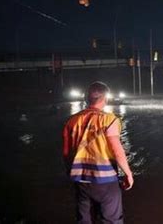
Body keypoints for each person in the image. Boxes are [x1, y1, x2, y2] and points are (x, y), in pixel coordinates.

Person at [63, 81, 134, 223]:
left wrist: (71, 172)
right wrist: (128, 174)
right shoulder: (109, 119)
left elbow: (66, 152)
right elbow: (117, 150)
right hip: (105, 179)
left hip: (80, 179)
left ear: (86, 98)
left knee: (84, 218)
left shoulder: (71, 121)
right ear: (105, 98)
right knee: (111, 218)